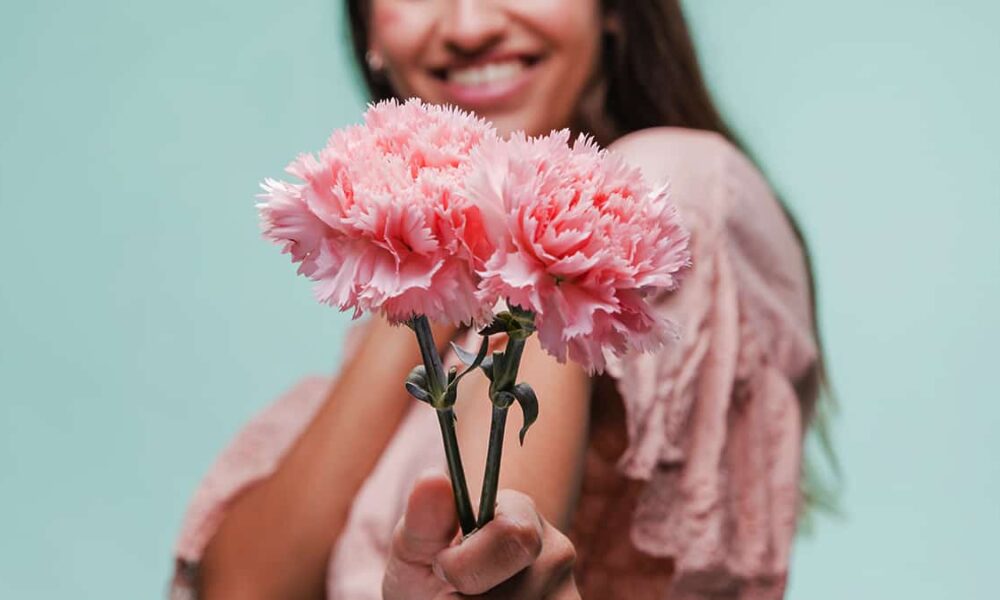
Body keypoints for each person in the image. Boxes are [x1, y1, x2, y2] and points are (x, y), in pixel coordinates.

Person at [170, 1, 829, 598]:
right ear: (368, 30)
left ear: (617, 9)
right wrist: (419, 246)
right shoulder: (428, 305)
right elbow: (241, 589)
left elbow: (489, 569)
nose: (468, 26)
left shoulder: (660, 192)